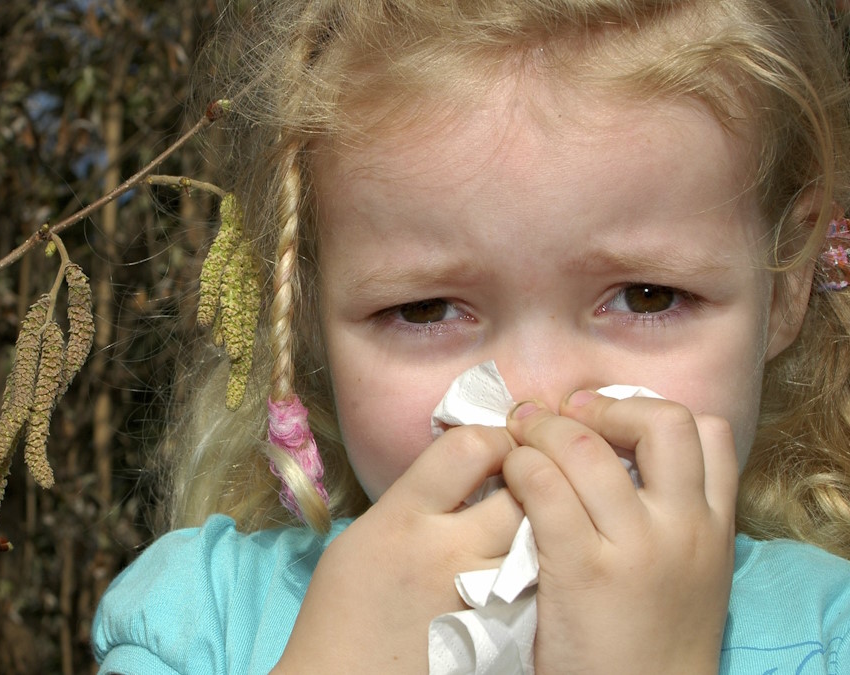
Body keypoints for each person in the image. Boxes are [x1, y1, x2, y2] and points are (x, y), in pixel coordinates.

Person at [93, 0, 850, 672]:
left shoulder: (827, 635)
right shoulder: (203, 623)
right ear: (309, 316)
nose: (537, 398)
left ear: (783, 285)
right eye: (426, 310)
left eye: (647, 296)